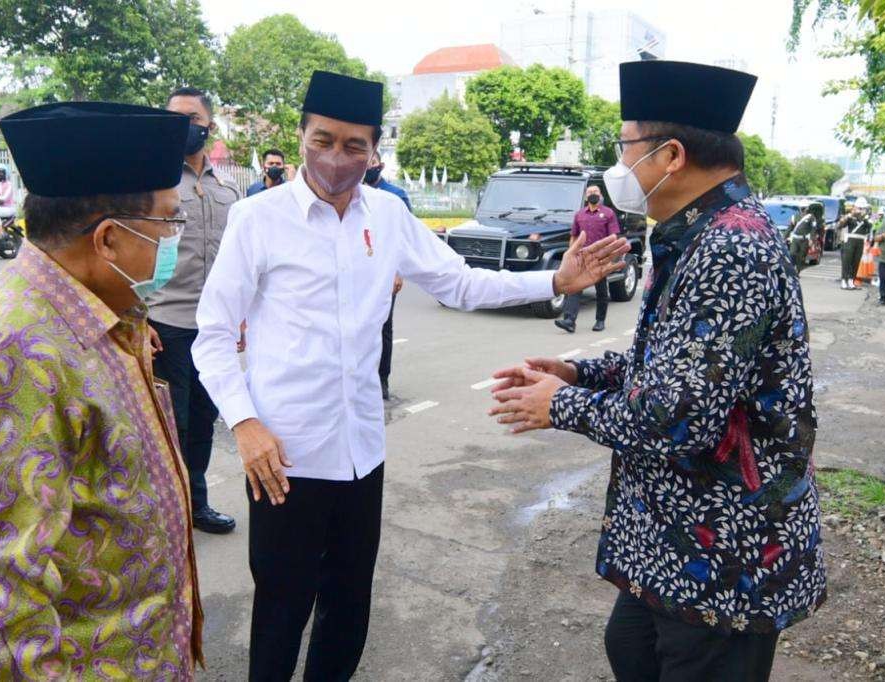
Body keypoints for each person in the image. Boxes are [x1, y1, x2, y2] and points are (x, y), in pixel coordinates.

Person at [191, 70, 629, 682]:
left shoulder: (388, 216)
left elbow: (459, 281)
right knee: (281, 609)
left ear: (374, 150)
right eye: (322, 140)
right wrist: (243, 424)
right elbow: (212, 334)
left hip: (361, 452)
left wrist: (553, 281)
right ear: (299, 137)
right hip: (283, 456)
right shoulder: (257, 220)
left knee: (348, 607)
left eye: (353, 146)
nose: (335, 158)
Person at [489, 61, 824, 682]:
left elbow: (682, 418)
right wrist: (577, 374)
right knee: (631, 646)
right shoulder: (698, 235)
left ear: (670, 155)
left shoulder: (732, 248)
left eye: (625, 146)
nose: (618, 164)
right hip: (678, 536)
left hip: (727, 548)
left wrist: (557, 406)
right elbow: (669, 364)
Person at [0, 102, 204, 678]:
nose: (175, 241)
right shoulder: (19, 355)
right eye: (170, 223)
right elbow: (8, 605)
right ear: (108, 239)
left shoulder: (105, 313)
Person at [147, 86, 242, 535]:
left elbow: (240, 261)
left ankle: (196, 503)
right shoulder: (153, 180)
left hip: (215, 328)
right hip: (167, 321)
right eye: (175, 118)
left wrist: (242, 316)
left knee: (204, 421)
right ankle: (171, 509)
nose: (184, 125)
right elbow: (135, 253)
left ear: (209, 123)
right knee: (173, 424)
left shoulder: (228, 189)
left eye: (192, 117)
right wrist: (137, 319)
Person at [363, 149, 410, 399]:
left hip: (385, 273)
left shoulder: (395, 196)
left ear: (379, 165)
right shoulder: (351, 194)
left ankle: (382, 378)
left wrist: (398, 271)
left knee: (383, 326)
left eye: (371, 161)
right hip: (361, 273)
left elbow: (405, 241)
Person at [555, 185, 622, 334]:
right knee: (575, 288)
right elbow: (574, 236)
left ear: (601, 195)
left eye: (595, 192)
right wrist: (571, 253)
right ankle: (569, 321)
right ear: (586, 197)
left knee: (601, 290)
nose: (593, 194)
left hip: (599, 258)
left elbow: (614, 237)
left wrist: (610, 256)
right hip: (582, 257)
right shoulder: (579, 215)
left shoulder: (608, 213)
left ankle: (600, 320)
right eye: (590, 192)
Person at [839, 197, 874, 289]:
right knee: (847, 261)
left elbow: (870, 227)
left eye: (862, 208)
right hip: (850, 241)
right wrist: (850, 215)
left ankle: (851, 280)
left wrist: (864, 217)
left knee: (856, 262)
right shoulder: (850, 217)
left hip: (860, 241)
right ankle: (844, 280)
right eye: (860, 208)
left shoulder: (867, 218)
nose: (861, 210)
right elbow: (840, 225)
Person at [785, 202, 822, 274]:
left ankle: (797, 270)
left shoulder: (811, 217)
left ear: (807, 208)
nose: (802, 209)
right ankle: (792, 270)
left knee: (801, 256)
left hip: (804, 240)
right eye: (801, 208)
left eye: (804, 208)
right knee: (792, 253)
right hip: (795, 239)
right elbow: (790, 228)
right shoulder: (795, 216)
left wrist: (812, 239)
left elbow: (813, 229)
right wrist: (784, 237)